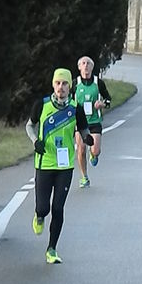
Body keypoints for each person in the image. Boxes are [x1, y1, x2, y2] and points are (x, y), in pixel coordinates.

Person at [26, 68, 94, 264]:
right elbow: (29, 125)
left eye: (65, 84)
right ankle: (38, 216)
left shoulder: (75, 107)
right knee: (43, 208)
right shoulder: (42, 104)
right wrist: (34, 141)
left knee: (58, 207)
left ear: (69, 87)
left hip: (65, 165)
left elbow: (82, 127)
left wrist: (86, 137)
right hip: (44, 162)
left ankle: (52, 249)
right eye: (58, 83)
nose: (61, 87)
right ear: (53, 85)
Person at [72, 56, 111, 188]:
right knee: (81, 149)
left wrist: (102, 104)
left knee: (95, 150)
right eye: (83, 63)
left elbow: (108, 99)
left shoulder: (98, 83)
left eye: (88, 63)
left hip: (94, 121)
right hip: (80, 122)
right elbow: (68, 101)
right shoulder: (75, 84)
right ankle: (84, 177)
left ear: (92, 67)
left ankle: (93, 156)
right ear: (79, 67)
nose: (86, 66)